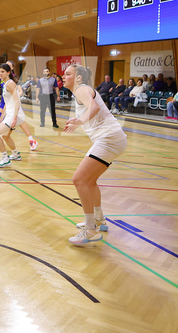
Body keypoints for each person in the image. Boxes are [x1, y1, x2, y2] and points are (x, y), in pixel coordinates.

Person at [62, 64, 127, 245]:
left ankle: (90, 229)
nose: (63, 76)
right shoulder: (80, 91)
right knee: (89, 181)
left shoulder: (82, 89)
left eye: (68, 74)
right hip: (113, 139)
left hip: (109, 139)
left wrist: (80, 121)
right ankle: (99, 220)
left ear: (79, 78)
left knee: (79, 179)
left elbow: (95, 107)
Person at [0, 61, 37, 151]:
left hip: (13, 105)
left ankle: (31, 140)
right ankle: (11, 149)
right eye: (0, 71)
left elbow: (18, 92)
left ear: (10, 70)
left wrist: (17, 96)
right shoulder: (2, 79)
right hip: (6, 102)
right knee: (3, 130)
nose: (1, 73)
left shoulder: (13, 80)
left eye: (4, 70)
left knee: (20, 122)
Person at [0, 63, 25, 168]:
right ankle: (15, 154)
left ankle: (5, 158)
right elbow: (7, 102)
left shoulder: (10, 84)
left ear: (8, 72)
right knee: (5, 136)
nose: (0, 74)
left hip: (15, 114)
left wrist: (14, 119)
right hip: (10, 114)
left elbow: (17, 102)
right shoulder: (5, 84)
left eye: (3, 72)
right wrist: (1, 117)